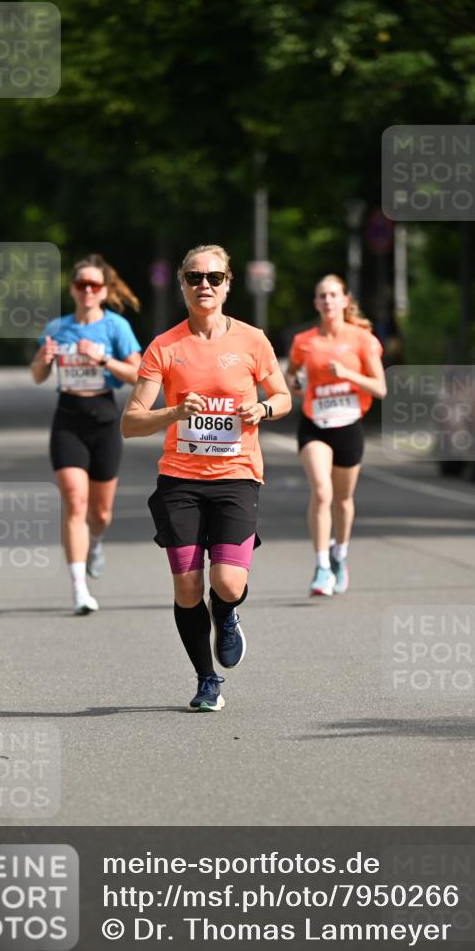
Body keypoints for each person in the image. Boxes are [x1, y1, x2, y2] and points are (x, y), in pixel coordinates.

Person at [121, 244, 291, 711]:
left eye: (214, 278)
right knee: (187, 587)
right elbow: (131, 422)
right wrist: (174, 411)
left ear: (228, 284)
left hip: (237, 475)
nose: (205, 285)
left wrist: (264, 407)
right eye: (195, 277)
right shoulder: (165, 346)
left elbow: (283, 395)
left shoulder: (253, 341)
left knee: (228, 585)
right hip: (180, 479)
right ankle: (206, 680)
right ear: (182, 284)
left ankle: (229, 613)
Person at [31, 254, 142, 614]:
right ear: (73, 289)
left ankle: (96, 542)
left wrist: (102, 360)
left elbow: (137, 375)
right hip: (68, 417)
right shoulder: (57, 328)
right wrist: (44, 360)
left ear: (104, 290)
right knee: (74, 501)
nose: (88, 290)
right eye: (82, 285)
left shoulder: (116, 327)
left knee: (101, 513)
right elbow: (37, 375)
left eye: (95, 285)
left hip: (105, 418)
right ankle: (79, 588)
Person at [286, 274, 386, 596]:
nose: (327, 300)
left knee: (342, 501)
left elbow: (380, 388)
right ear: (315, 303)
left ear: (345, 300)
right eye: (321, 296)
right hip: (314, 423)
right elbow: (292, 376)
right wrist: (296, 383)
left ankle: (339, 556)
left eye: (333, 295)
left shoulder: (363, 339)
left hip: (349, 424)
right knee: (322, 491)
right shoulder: (304, 341)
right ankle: (321, 567)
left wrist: (347, 374)